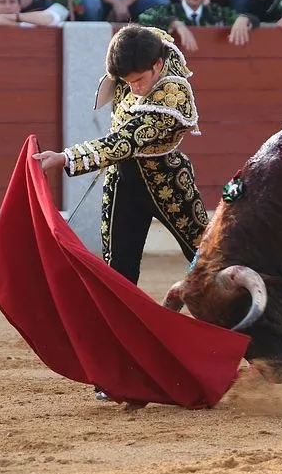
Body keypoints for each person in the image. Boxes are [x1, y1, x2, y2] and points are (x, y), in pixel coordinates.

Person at [33, 24, 209, 288]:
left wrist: (66, 158)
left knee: (207, 255)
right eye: (127, 82)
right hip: (122, 180)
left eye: (139, 80)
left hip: (166, 180)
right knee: (118, 269)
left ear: (158, 65)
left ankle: (242, 320)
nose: (134, 88)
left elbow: (123, 141)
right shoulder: (142, 51)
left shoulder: (172, 98)